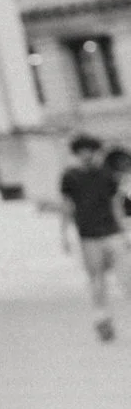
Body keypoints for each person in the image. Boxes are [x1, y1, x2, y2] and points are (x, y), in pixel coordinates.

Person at [62, 133, 125, 340]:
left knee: (127, 275)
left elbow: (116, 203)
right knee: (96, 278)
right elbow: (67, 206)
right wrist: (64, 233)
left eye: (89, 150)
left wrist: (124, 230)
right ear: (77, 153)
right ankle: (102, 318)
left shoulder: (106, 175)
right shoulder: (70, 177)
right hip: (88, 234)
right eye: (82, 151)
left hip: (111, 231)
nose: (86, 154)